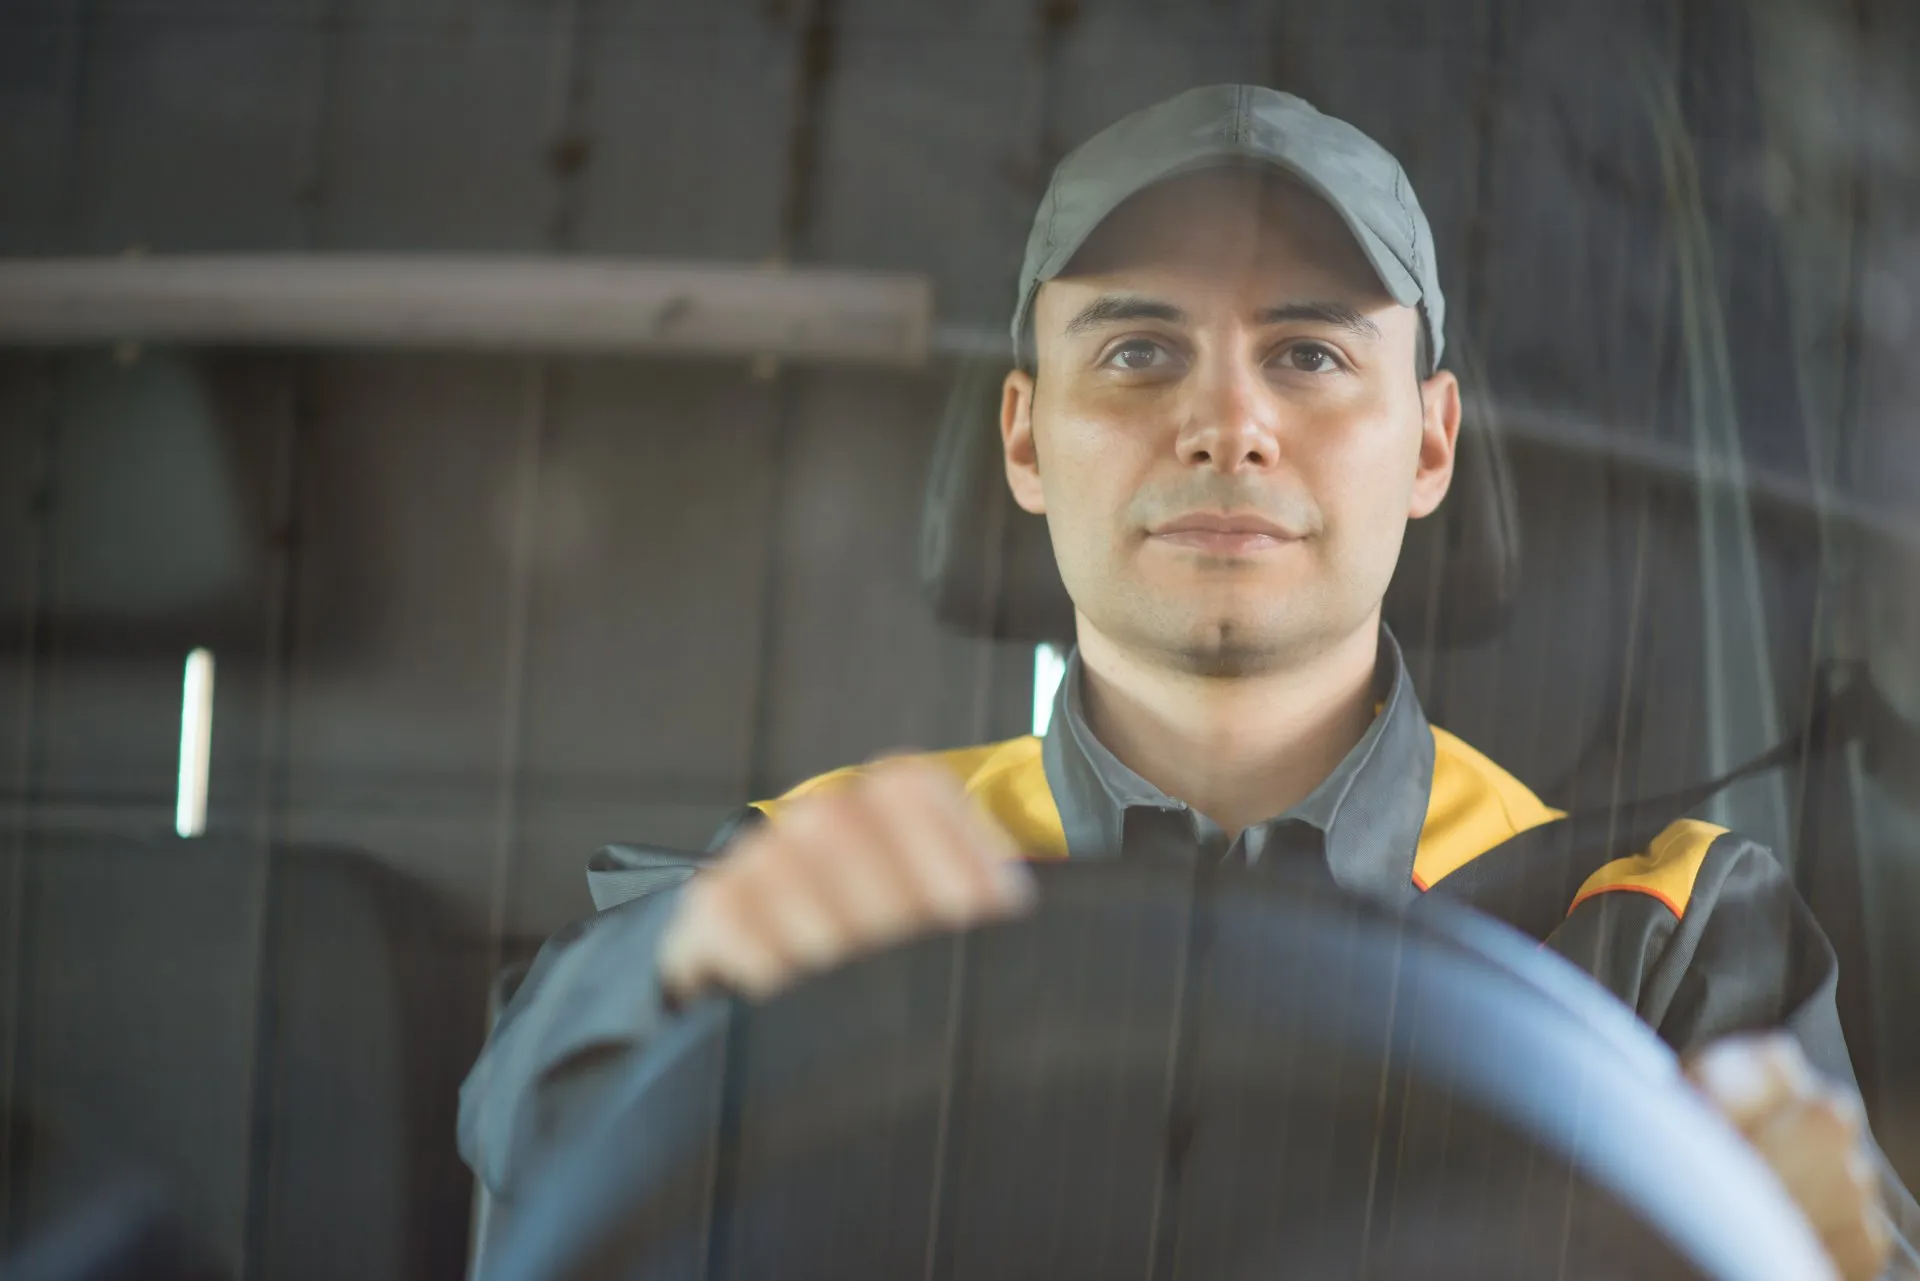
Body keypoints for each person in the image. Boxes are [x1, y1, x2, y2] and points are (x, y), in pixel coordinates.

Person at [460, 85, 1913, 1279]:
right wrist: (672, 981)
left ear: (1428, 443)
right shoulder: (828, 886)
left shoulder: (1653, 935)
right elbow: (529, 1115)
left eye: (1309, 353)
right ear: (1025, 438)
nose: (1227, 424)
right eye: (1142, 350)